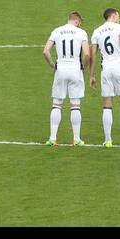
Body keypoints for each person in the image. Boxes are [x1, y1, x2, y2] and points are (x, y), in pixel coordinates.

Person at [90, 8, 120, 147]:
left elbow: (93, 55)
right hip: (119, 68)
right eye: (118, 15)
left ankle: (108, 140)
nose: (119, 18)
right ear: (113, 16)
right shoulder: (119, 28)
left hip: (105, 70)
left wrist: (92, 75)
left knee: (107, 104)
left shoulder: (97, 31)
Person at [43, 11, 90, 146]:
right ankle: (76, 139)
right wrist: (84, 67)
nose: (81, 24)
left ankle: (52, 138)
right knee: (75, 105)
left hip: (61, 69)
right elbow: (87, 54)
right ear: (76, 21)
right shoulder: (81, 33)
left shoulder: (57, 31)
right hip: (75, 69)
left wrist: (53, 64)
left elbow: (45, 51)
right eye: (80, 22)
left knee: (56, 104)